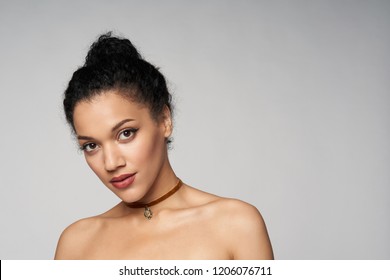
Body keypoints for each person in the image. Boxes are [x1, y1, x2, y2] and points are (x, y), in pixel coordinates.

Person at [55, 33, 274, 260]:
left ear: (164, 120)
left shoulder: (236, 225)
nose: (111, 163)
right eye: (91, 146)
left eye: (126, 134)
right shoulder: (76, 244)